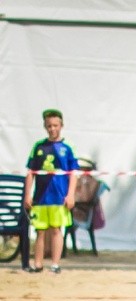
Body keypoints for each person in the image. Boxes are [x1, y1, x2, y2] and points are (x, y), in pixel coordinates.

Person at [23, 108, 78, 273]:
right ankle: (38, 264)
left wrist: (70, 195)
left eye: (55, 125)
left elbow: (73, 174)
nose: (52, 129)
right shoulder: (38, 147)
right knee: (39, 231)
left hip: (59, 196)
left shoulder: (67, 147)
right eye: (49, 126)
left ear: (61, 125)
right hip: (40, 197)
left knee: (56, 229)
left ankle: (55, 264)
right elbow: (30, 172)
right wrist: (27, 195)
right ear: (45, 126)